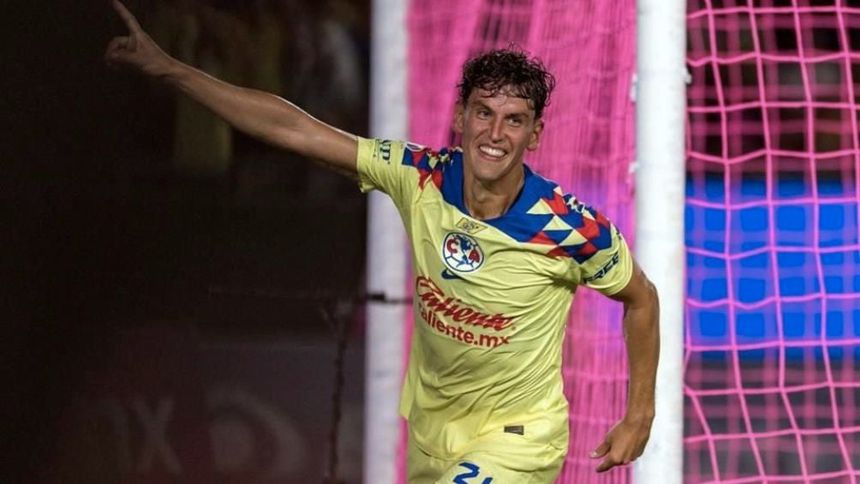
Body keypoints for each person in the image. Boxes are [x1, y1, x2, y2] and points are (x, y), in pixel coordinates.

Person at [105, 1, 660, 481]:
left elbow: (642, 298)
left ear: (535, 134)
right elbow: (293, 129)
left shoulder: (569, 226)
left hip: (519, 437)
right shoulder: (417, 174)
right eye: (484, 114)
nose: (495, 134)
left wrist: (639, 414)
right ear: (460, 116)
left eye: (514, 121)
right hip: (431, 433)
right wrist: (172, 70)